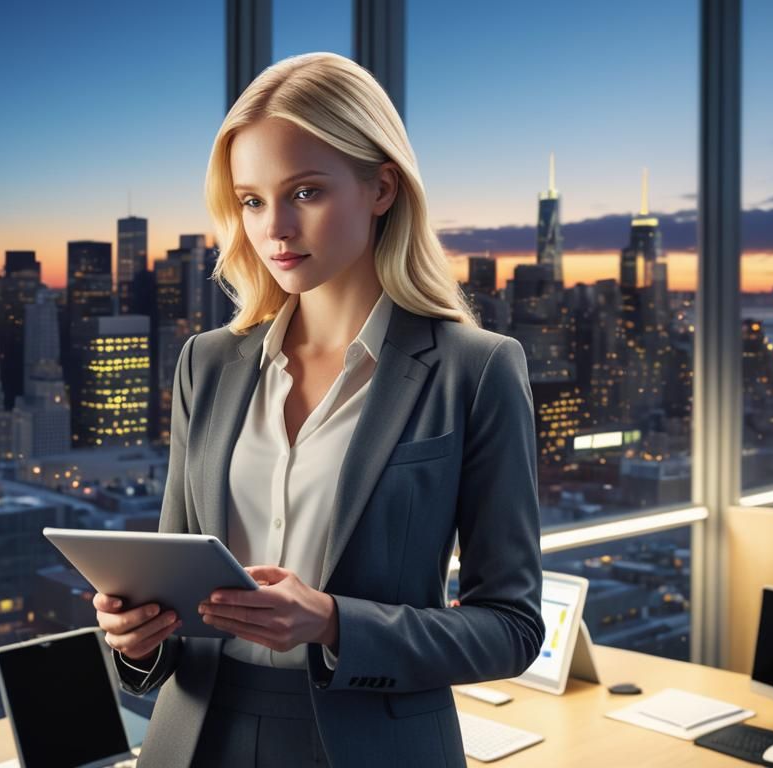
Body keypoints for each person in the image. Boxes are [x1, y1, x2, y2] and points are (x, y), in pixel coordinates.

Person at [93, 52, 544, 767]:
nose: (273, 229)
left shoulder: (475, 369)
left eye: (304, 192)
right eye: (250, 200)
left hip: (376, 743)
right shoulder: (205, 364)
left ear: (381, 187)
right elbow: (170, 581)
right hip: (198, 737)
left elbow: (513, 628)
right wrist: (134, 634)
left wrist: (333, 624)